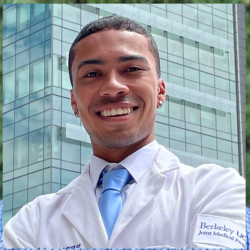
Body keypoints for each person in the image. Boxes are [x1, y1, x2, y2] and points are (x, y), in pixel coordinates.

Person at [3, 15, 245, 249]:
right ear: (74, 101)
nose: (113, 87)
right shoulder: (31, 222)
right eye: (92, 74)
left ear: (160, 91)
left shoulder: (214, 190)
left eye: (132, 69)